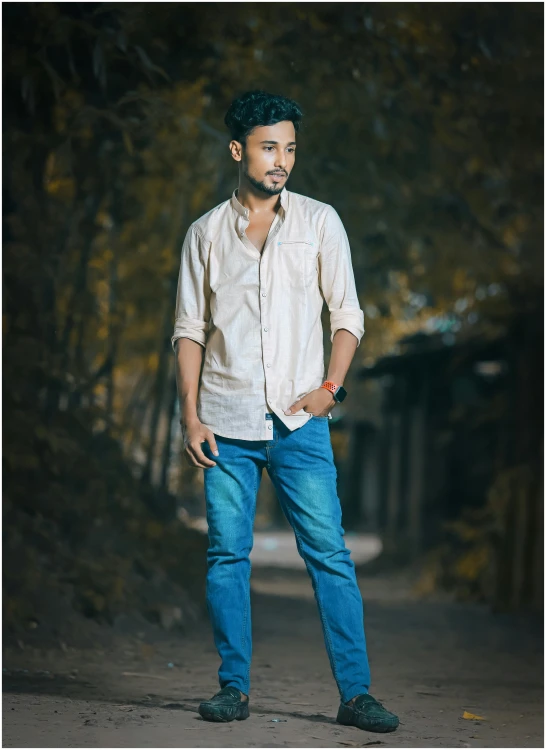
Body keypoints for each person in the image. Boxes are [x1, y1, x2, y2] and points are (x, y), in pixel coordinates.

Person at [172, 89, 399, 733]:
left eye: (290, 148)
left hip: (301, 423)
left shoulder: (321, 222)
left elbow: (347, 313)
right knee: (226, 554)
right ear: (238, 149)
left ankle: (356, 695)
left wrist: (333, 386)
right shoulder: (205, 235)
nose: (282, 160)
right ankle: (233, 688)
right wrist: (190, 415)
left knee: (329, 554)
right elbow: (190, 329)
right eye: (270, 147)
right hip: (225, 422)